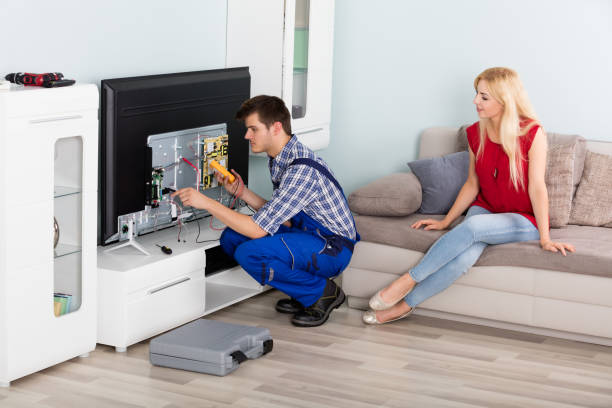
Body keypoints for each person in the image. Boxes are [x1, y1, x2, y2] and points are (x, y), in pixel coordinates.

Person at [363, 67, 575, 325]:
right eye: (477, 94)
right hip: (485, 209)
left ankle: (406, 282)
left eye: (484, 97)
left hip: (523, 218)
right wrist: (446, 221)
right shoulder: (476, 132)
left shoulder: (532, 133)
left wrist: (545, 238)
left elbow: (537, 187)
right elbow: (472, 184)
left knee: (473, 226)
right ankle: (404, 307)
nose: (476, 101)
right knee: (463, 259)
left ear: (505, 99)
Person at [173, 95, 358, 327]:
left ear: (276, 127)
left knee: (250, 253)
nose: (247, 136)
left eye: (253, 129)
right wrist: (242, 192)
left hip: (332, 248)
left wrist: (208, 203)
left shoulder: (300, 170)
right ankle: (303, 291)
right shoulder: (281, 157)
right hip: (306, 233)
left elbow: (259, 229)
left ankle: (321, 292)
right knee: (232, 238)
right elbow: (282, 216)